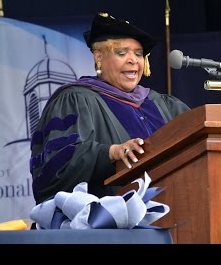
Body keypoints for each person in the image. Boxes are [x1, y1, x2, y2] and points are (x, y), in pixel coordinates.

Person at [29, 12, 190, 204]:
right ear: (99, 57)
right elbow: (57, 168)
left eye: (138, 54)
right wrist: (111, 153)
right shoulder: (76, 99)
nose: (133, 60)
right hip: (108, 225)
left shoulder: (164, 104)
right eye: (122, 53)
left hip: (177, 212)